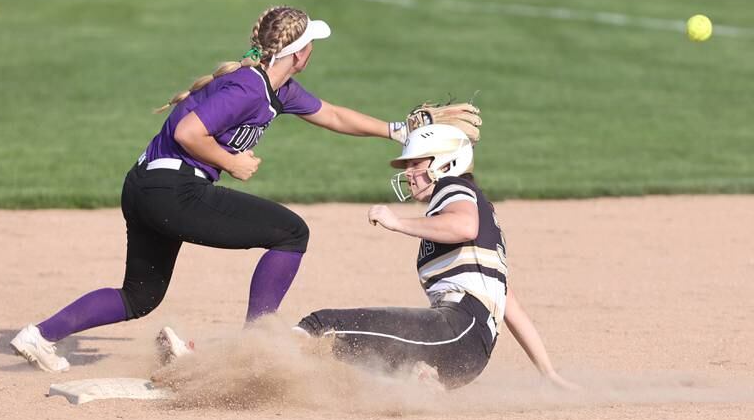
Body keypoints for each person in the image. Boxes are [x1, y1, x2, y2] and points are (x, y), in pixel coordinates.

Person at [10, 5, 452, 373]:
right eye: (311, 43)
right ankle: (254, 346)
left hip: (145, 186)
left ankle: (39, 336)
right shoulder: (248, 88)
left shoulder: (278, 91)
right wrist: (231, 162)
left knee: (139, 296)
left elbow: (333, 116)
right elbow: (188, 132)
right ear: (299, 54)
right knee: (291, 232)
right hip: (173, 190)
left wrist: (398, 131)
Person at [160, 124, 577, 391]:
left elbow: (463, 226)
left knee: (322, 325)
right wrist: (548, 372)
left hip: (455, 331)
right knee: (344, 360)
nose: (409, 172)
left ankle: (211, 364)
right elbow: (509, 303)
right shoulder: (472, 220)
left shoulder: (456, 190)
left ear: (445, 163)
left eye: (417, 164)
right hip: (462, 353)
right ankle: (415, 383)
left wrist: (398, 222)